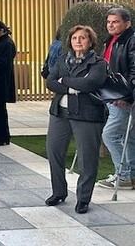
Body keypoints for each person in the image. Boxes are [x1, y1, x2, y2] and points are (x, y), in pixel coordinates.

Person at [45, 25, 108, 214]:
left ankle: (83, 199)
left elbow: (91, 83)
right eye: (74, 38)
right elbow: (50, 81)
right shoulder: (63, 59)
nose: (78, 41)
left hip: (87, 115)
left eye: (83, 38)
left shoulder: (98, 63)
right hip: (60, 113)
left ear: (90, 42)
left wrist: (64, 81)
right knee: (54, 152)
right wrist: (72, 87)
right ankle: (59, 192)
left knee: (87, 158)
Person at [98, 8, 135, 189]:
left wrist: (127, 96)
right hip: (112, 96)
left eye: (115, 22)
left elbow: (134, 71)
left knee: (110, 134)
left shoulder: (131, 39)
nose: (111, 25)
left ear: (127, 23)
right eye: (109, 22)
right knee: (128, 138)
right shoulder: (112, 40)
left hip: (123, 97)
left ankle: (125, 176)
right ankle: (130, 176)